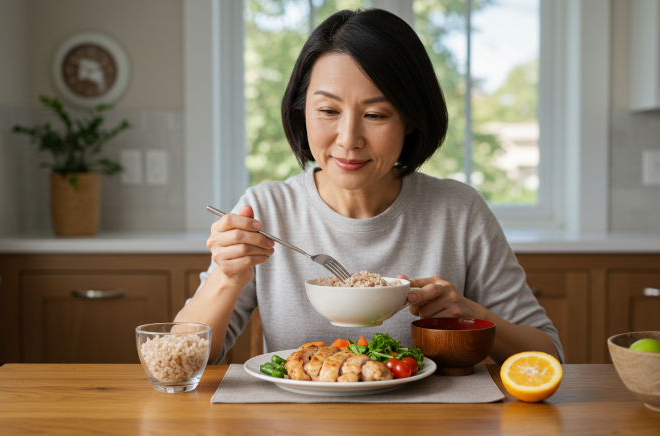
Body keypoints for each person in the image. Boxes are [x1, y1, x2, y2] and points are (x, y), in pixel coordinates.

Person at [175, 8, 563, 364]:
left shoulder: (458, 211)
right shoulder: (266, 211)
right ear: (301, 109)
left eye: (375, 114)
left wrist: (472, 315)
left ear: (410, 119)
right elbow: (181, 357)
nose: (349, 139)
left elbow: (547, 354)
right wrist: (227, 278)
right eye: (328, 111)